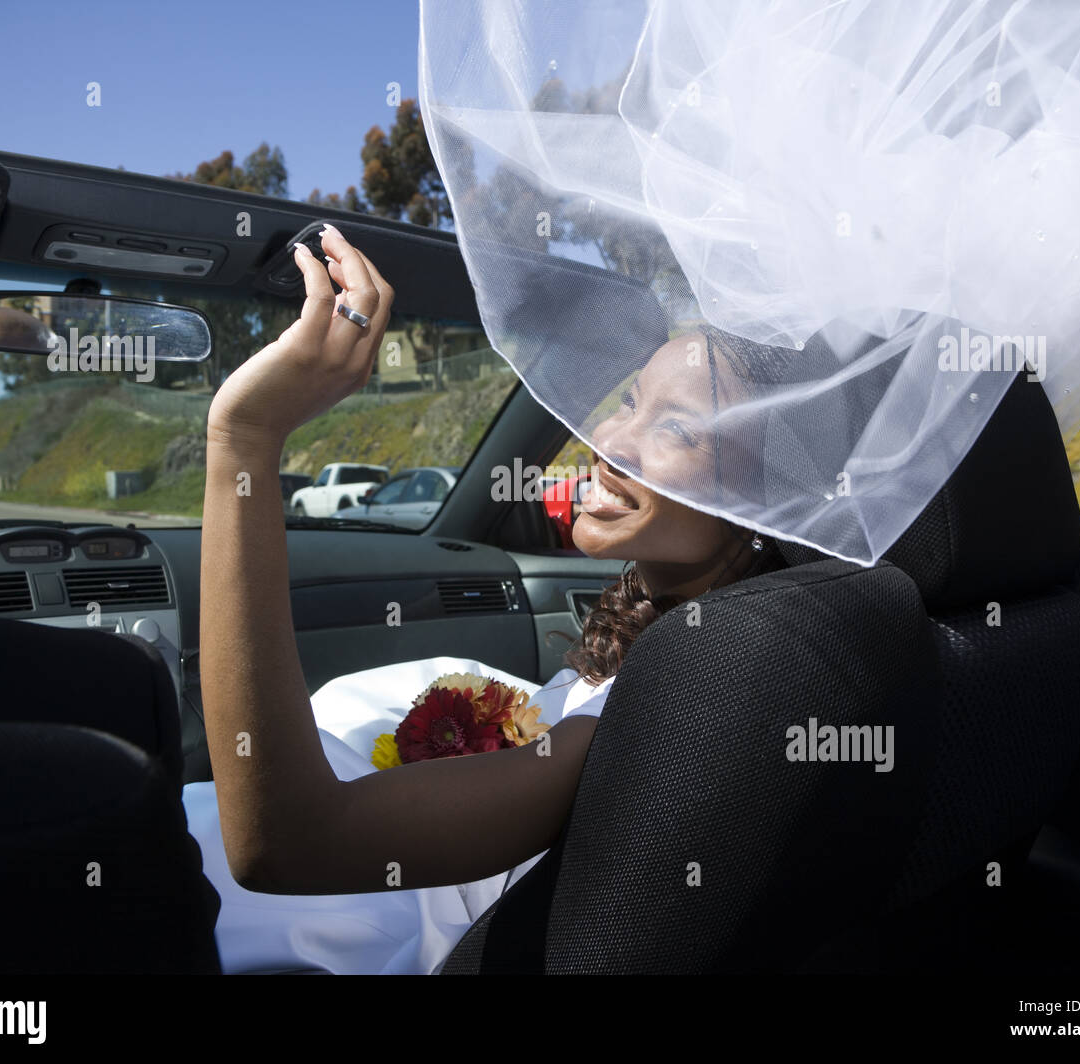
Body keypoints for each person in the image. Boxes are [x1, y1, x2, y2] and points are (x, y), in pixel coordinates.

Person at [192, 223, 788, 973]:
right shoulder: (669, 627)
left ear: (768, 501)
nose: (611, 439)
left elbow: (282, 843)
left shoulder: (667, 700)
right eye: (630, 398)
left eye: (676, 429)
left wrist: (245, 436)